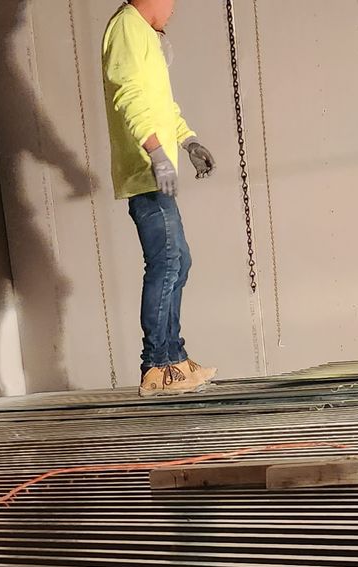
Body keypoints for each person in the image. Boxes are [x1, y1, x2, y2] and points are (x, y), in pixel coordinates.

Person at [102, 0, 219, 397]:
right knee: (167, 261)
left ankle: (174, 359)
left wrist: (187, 140)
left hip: (156, 167)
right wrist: (154, 151)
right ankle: (156, 366)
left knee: (178, 260)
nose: (174, 8)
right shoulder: (126, 28)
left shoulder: (142, 34)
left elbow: (159, 103)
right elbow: (129, 96)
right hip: (145, 170)